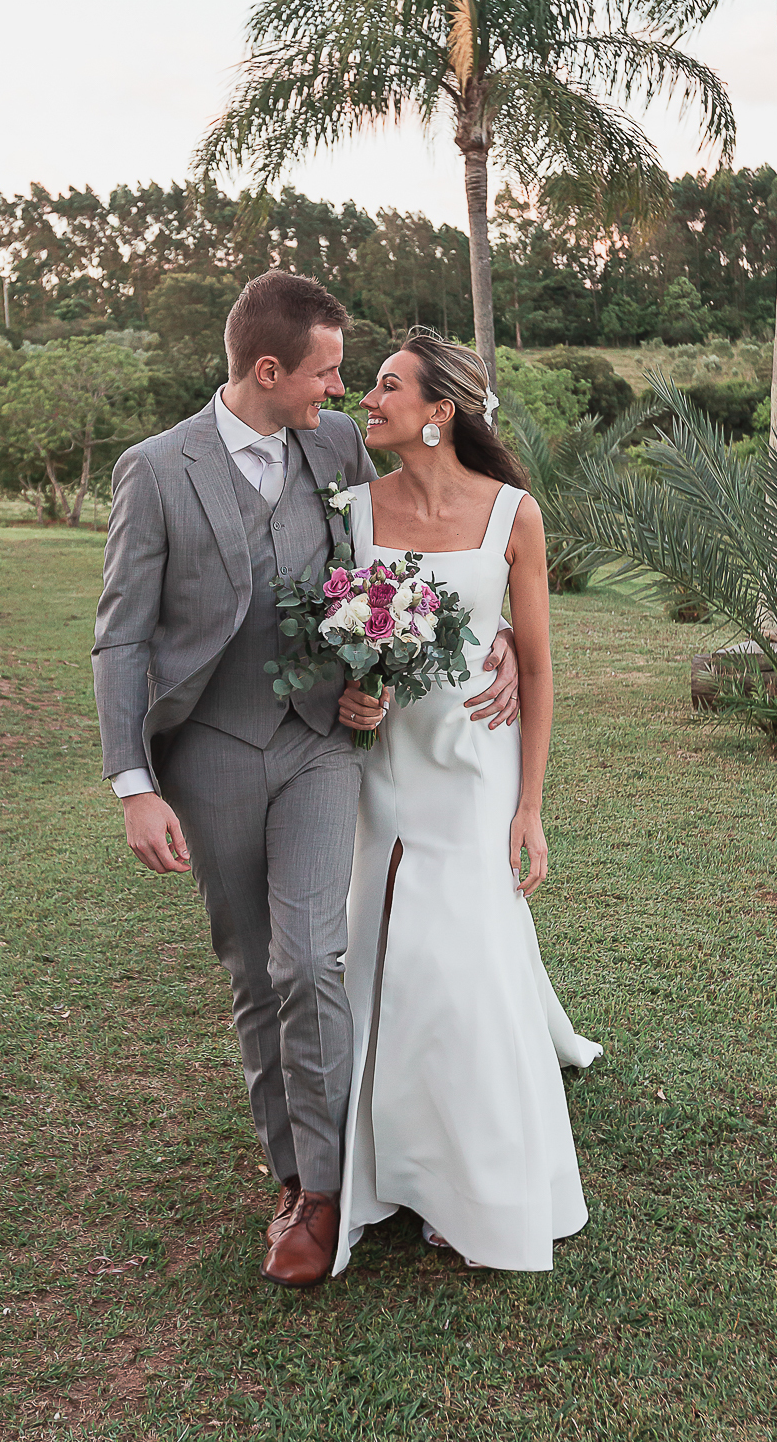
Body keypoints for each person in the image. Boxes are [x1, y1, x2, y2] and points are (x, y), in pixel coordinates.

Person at [91, 275, 520, 1288]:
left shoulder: (330, 446)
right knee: (253, 971)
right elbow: (120, 638)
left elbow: (426, 528)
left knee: (312, 959)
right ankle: (290, 1172)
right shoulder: (154, 471)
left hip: (323, 741)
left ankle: (326, 1194)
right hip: (209, 750)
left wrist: (484, 626)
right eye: (328, 371)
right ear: (268, 371)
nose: (346, 391)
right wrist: (131, 783)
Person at [334, 330, 602, 1276]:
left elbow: (532, 661)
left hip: (478, 772)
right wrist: (351, 692)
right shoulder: (353, 509)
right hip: (386, 769)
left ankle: (475, 1185)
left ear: (440, 411)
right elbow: (337, 632)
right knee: (387, 954)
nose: (369, 398)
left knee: (468, 961)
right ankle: (388, 1171)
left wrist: (529, 807)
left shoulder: (513, 517)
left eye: (388, 385)